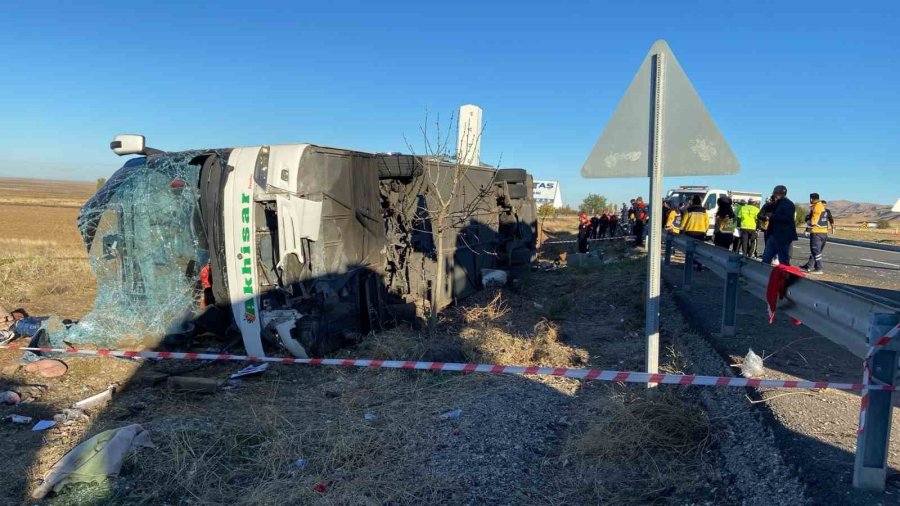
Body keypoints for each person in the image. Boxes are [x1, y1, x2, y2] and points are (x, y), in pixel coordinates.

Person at [761, 185, 798, 266]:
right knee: (766, 258)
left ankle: (785, 276)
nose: (773, 194)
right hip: (774, 234)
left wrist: (772, 216)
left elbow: (788, 218)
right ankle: (764, 275)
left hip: (782, 236)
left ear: (780, 193)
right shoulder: (777, 203)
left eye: (774, 193)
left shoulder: (788, 204)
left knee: (783, 260)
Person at [800, 193, 828, 274]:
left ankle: (819, 268)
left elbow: (813, 221)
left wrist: (808, 228)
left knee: (815, 250)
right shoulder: (822, 206)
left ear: (811, 199)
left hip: (817, 232)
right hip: (824, 232)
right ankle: (808, 266)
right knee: (815, 250)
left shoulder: (816, 207)